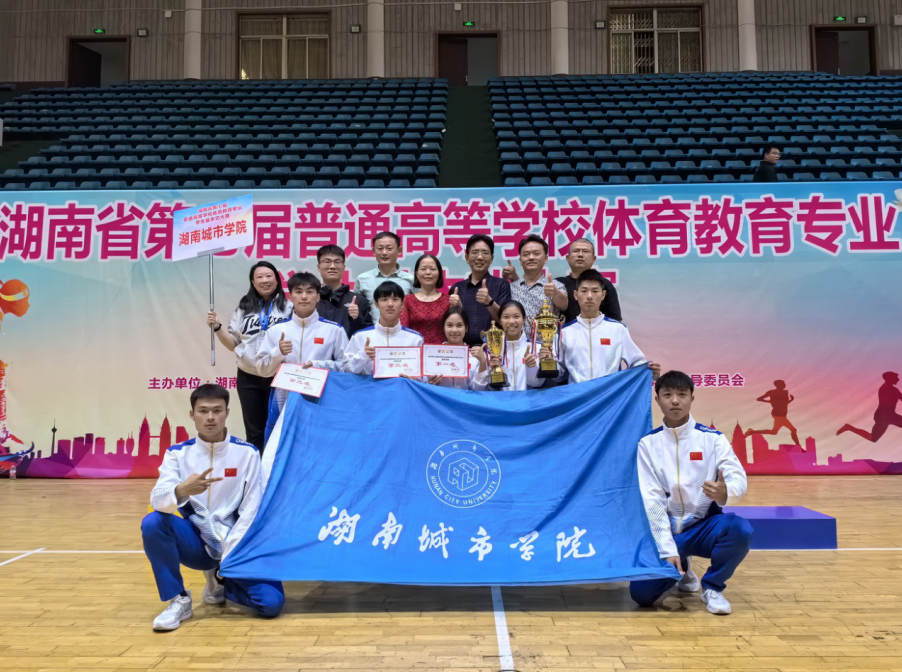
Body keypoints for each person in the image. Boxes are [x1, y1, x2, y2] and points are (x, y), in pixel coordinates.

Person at [141, 384, 285, 631]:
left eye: (217, 410)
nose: (210, 417)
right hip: (197, 543)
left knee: (271, 605)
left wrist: (230, 558)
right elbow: (158, 500)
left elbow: (252, 509)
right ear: (192, 414)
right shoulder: (177, 454)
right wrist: (182, 490)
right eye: (203, 411)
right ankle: (179, 599)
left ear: (227, 412)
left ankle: (222, 582)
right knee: (153, 523)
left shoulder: (248, 453)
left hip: (238, 544)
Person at [629, 371, 752, 616]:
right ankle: (682, 562)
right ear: (657, 400)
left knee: (739, 529)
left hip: (702, 528)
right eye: (667, 395)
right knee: (641, 596)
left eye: (682, 394)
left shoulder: (712, 439)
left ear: (692, 398)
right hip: (668, 531)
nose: (675, 400)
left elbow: (737, 476)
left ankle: (712, 587)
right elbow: (652, 499)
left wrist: (726, 492)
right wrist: (667, 549)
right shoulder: (648, 444)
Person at [206, 262, 291, 452]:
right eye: (259, 277)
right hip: (248, 376)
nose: (264, 280)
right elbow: (233, 344)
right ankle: (255, 467)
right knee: (254, 431)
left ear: (277, 280)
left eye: (269, 276)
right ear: (253, 282)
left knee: (278, 428)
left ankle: (275, 468)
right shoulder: (243, 308)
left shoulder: (289, 307)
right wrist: (217, 327)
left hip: (279, 376)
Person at [542, 270, 659, 384]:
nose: (589, 296)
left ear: (603, 295)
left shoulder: (618, 329)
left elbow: (637, 362)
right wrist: (548, 362)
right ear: (575, 295)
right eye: (584, 291)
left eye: (595, 291)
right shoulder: (565, 332)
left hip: (609, 395)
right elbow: (560, 375)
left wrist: (650, 372)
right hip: (578, 395)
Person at [255, 271, 348, 415]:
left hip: (321, 401)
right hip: (283, 401)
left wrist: (319, 365)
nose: (304, 297)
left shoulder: (334, 330)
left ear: (318, 297)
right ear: (290, 297)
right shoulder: (276, 330)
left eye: (309, 292)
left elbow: (347, 367)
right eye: (298, 292)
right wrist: (278, 352)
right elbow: (262, 370)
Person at [342, 281, 424, 375]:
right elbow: (344, 370)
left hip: (403, 385)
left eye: (395, 299)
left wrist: (413, 378)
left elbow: (423, 377)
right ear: (376, 304)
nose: (390, 304)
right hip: (369, 385)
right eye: (384, 299)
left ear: (402, 304)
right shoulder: (359, 336)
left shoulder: (415, 339)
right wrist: (363, 357)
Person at [448, 234, 512, 347]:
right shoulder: (457, 288)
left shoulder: (502, 285)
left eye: (485, 253)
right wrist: (458, 309)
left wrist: (489, 302)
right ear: (467, 258)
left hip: (493, 350)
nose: (480, 257)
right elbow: (449, 325)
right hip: (464, 349)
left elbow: (506, 322)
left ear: (491, 259)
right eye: (475, 252)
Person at [473, 300, 542, 392]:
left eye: (516, 316)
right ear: (500, 321)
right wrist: (486, 366)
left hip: (528, 401)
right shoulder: (490, 351)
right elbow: (479, 389)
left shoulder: (536, 348)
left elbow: (537, 383)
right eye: (506, 317)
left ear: (523, 320)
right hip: (501, 401)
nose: (511, 321)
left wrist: (531, 367)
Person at [508, 234, 567, 339]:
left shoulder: (555, 285)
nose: (531, 257)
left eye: (536, 253)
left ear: (545, 258)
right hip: (518, 346)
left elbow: (564, 305)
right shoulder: (510, 288)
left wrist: (555, 293)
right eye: (526, 254)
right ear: (520, 260)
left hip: (547, 346)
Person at [556, 238, 622, 323]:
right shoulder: (557, 284)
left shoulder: (604, 284)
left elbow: (615, 321)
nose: (580, 255)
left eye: (585, 251)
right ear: (567, 258)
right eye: (576, 251)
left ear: (593, 259)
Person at [354, 232, 414, 324]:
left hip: (402, 331)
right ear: (374, 251)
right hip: (372, 330)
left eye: (389, 248)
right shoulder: (362, 279)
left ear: (399, 250)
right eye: (380, 248)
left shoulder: (411, 280)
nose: (384, 253)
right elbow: (359, 311)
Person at [316, 244, 372, 337]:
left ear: (343, 267)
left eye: (337, 262)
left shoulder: (359, 300)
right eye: (327, 262)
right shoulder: (310, 299)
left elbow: (369, 334)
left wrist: (357, 318)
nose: (332, 266)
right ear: (319, 267)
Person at [427, 306, 487, 390]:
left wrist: (483, 362)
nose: (454, 330)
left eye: (459, 325)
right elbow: (424, 386)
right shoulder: (432, 356)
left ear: (466, 328)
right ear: (443, 328)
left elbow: (478, 390)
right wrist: (430, 384)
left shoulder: (476, 357)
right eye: (450, 325)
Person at [400, 254, 450, 345]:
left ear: (439, 273)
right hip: (415, 351)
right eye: (423, 269)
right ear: (416, 274)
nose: (428, 272)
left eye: (432, 269)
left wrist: (458, 306)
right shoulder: (407, 301)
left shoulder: (448, 301)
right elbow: (403, 332)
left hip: (442, 351)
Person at [837, 372, 902, 442]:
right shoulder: (890, 389)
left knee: (872, 438)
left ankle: (849, 427)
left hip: (884, 415)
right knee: (872, 438)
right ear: (890, 379)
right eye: (896, 378)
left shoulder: (888, 389)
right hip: (886, 416)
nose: (898, 379)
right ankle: (849, 428)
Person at [745, 380, 800, 445]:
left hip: (782, 414)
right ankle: (798, 446)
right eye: (783, 383)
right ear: (778, 385)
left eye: (784, 383)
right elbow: (759, 399)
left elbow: (784, 403)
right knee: (793, 430)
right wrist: (769, 401)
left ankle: (751, 432)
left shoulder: (785, 392)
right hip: (778, 414)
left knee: (774, 432)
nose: (784, 385)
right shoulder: (771, 392)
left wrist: (791, 400)